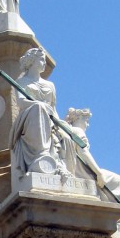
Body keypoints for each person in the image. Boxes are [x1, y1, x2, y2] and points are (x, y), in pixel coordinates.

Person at [9, 48, 77, 176]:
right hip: (28, 117)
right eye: (41, 60)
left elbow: (53, 109)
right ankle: (42, 155)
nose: (44, 63)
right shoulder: (21, 82)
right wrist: (40, 105)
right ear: (31, 61)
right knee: (39, 108)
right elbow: (21, 102)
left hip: (49, 118)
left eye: (45, 60)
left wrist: (61, 125)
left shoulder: (50, 85)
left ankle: (62, 167)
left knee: (67, 135)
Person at [64, 108, 120, 205]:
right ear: (78, 119)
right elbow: (83, 152)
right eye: (86, 121)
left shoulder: (66, 131)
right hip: (84, 172)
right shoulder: (78, 131)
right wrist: (99, 174)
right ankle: (117, 215)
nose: (87, 124)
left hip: (76, 169)